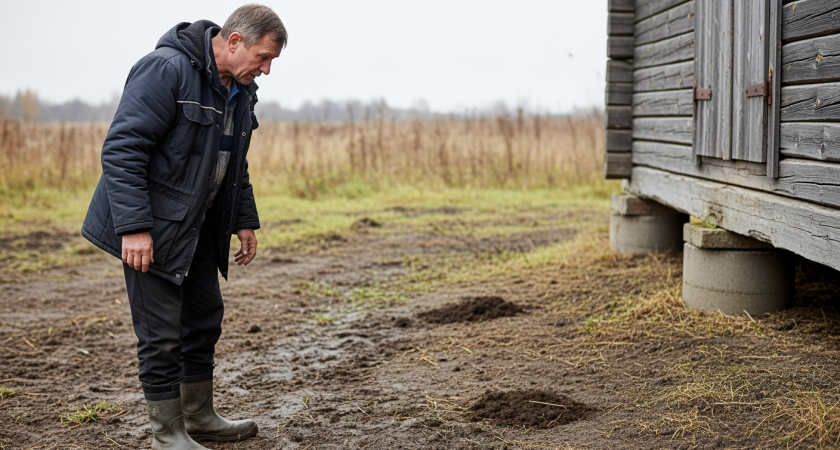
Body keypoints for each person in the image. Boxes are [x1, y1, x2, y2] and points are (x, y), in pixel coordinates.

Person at [81, 5, 287, 448]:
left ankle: (198, 416)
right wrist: (134, 227)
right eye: (263, 57)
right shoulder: (166, 70)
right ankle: (167, 434)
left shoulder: (240, 89)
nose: (267, 70)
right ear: (233, 42)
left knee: (204, 319)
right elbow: (122, 150)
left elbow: (234, 162)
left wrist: (244, 221)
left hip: (198, 229)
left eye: (272, 61)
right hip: (151, 231)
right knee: (161, 335)